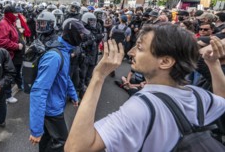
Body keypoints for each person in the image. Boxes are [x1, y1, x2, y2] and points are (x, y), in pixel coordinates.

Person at [65, 23, 225, 151]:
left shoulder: (141, 108)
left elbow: (76, 147)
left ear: (165, 62)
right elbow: (221, 100)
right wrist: (213, 65)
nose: (131, 53)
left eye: (140, 48)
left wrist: (98, 77)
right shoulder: (197, 95)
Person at [29, 19, 90, 152]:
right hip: (52, 110)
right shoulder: (54, 57)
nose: (83, 37)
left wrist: (73, 95)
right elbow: (38, 91)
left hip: (54, 105)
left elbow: (64, 76)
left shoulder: (64, 50)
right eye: (80, 34)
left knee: (47, 142)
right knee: (62, 142)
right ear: (72, 34)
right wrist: (36, 129)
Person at [0, 4, 24, 103]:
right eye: (14, 13)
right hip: (7, 55)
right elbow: (2, 41)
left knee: (13, 73)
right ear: (9, 14)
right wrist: (16, 46)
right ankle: (7, 96)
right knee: (7, 75)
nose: (16, 15)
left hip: (13, 55)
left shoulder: (11, 23)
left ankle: (8, 93)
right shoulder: (3, 24)